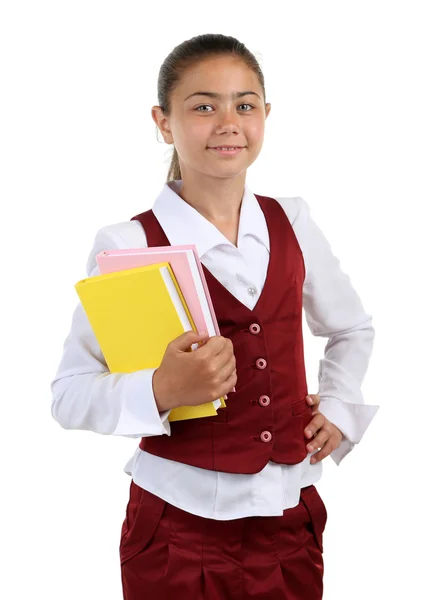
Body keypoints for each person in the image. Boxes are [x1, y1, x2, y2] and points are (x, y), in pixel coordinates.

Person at [50, 33, 379, 600]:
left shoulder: (293, 223)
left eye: (244, 105)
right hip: (178, 530)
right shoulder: (130, 245)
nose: (228, 122)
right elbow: (69, 394)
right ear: (163, 120)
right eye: (203, 106)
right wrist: (159, 388)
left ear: (265, 116)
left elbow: (350, 329)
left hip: (290, 522)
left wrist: (342, 407)